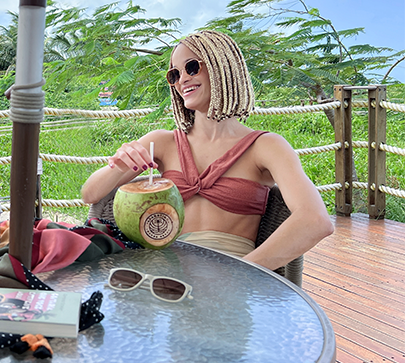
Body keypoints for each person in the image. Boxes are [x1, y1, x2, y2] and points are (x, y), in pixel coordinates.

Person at [82, 30, 333, 270]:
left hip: (230, 274)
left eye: (192, 67)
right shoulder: (163, 141)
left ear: (221, 67)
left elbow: (315, 220)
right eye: (174, 75)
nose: (183, 81)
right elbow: (90, 194)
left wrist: (246, 271)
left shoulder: (266, 146)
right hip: (165, 272)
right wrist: (121, 164)